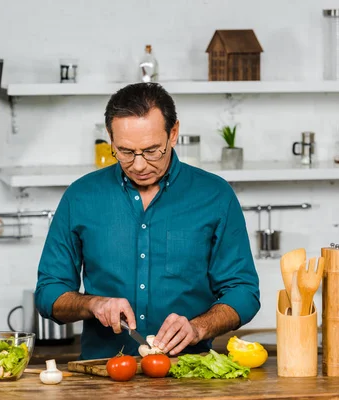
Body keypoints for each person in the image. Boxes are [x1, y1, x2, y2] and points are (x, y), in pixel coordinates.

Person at [34, 82, 260, 360]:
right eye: (126, 152)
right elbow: (48, 293)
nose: (139, 165)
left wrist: (198, 327)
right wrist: (92, 304)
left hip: (189, 374)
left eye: (152, 151)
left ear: (173, 133)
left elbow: (243, 291)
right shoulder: (80, 196)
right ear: (110, 137)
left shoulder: (215, 195)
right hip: (103, 373)